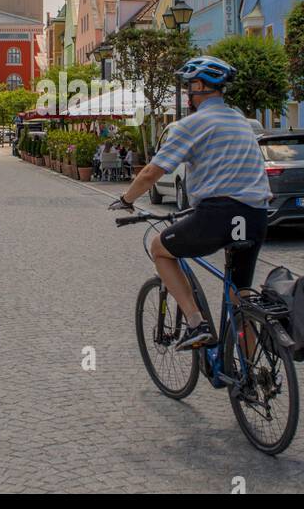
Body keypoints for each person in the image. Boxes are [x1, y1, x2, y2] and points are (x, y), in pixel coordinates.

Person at [109, 56, 272, 350]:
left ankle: (198, 324)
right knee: (240, 294)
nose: (187, 95)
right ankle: (250, 377)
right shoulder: (241, 121)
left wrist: (125, 199)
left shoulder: (193, 124)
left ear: (199, 87)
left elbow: (151, 173)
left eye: (189, 88)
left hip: (219, 215)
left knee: (159, 247)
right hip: (256, 215)